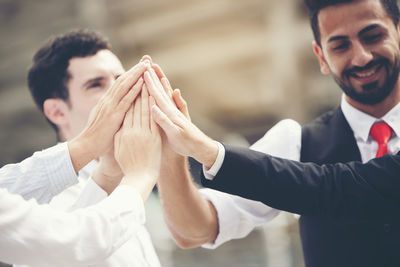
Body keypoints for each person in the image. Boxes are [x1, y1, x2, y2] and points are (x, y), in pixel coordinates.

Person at [146, 0, 400, 266]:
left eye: (373, 36)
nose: (361, 57)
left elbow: (330, 186)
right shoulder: (296, 143)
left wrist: (206, 150)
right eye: (340, 46)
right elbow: (195, 229)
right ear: (322, 57)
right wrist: (171, 150)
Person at [0, 61, 164, 267]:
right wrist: (141, 174)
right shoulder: (49, 202)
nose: (120, 92)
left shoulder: (118, 187)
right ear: (57, 112)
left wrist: (109, 173)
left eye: (121, 80)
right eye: (96, 84)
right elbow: (70, 246)